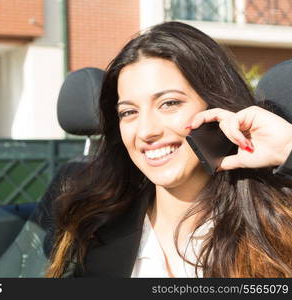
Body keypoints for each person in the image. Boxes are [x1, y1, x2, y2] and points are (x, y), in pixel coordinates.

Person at [46, 21, 292, 278]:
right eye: (129, 112)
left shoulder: (278, 229)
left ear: (216, 106)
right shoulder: (94, 233)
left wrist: (288, 147)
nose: (146, 131)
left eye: (169, 103)